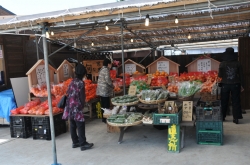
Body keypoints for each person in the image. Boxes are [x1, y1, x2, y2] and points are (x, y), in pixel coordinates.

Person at [62, 63, 94, 151]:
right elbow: (82, 96)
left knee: (72, 124)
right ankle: (83, 143)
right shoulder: (81, 83)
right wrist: (82, 106)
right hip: (76, 106)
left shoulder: (72, 81)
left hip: (70, 105)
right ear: (83, 73)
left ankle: (75, 142)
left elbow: (68, 92)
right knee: (80, 124)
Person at [218, 47, 244, 124]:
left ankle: (222, 117)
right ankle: (236, 118)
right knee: (236, 101)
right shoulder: (238, 63)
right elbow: (241, 75)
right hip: (236, 84)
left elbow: (220, 75)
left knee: (224, 101)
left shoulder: (222, 64)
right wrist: (242, 85)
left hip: (225, 84)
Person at [96, 58, 114, 123]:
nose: (111, 65)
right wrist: (112, 85)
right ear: (108, 64)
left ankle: (103, 118)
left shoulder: (101, 69)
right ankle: (106, 118)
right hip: (105, 90)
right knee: (106, 105)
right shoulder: (106, 70)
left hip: (101, 90)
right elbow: (108, 80)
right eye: (110, 64)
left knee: (103, 104)